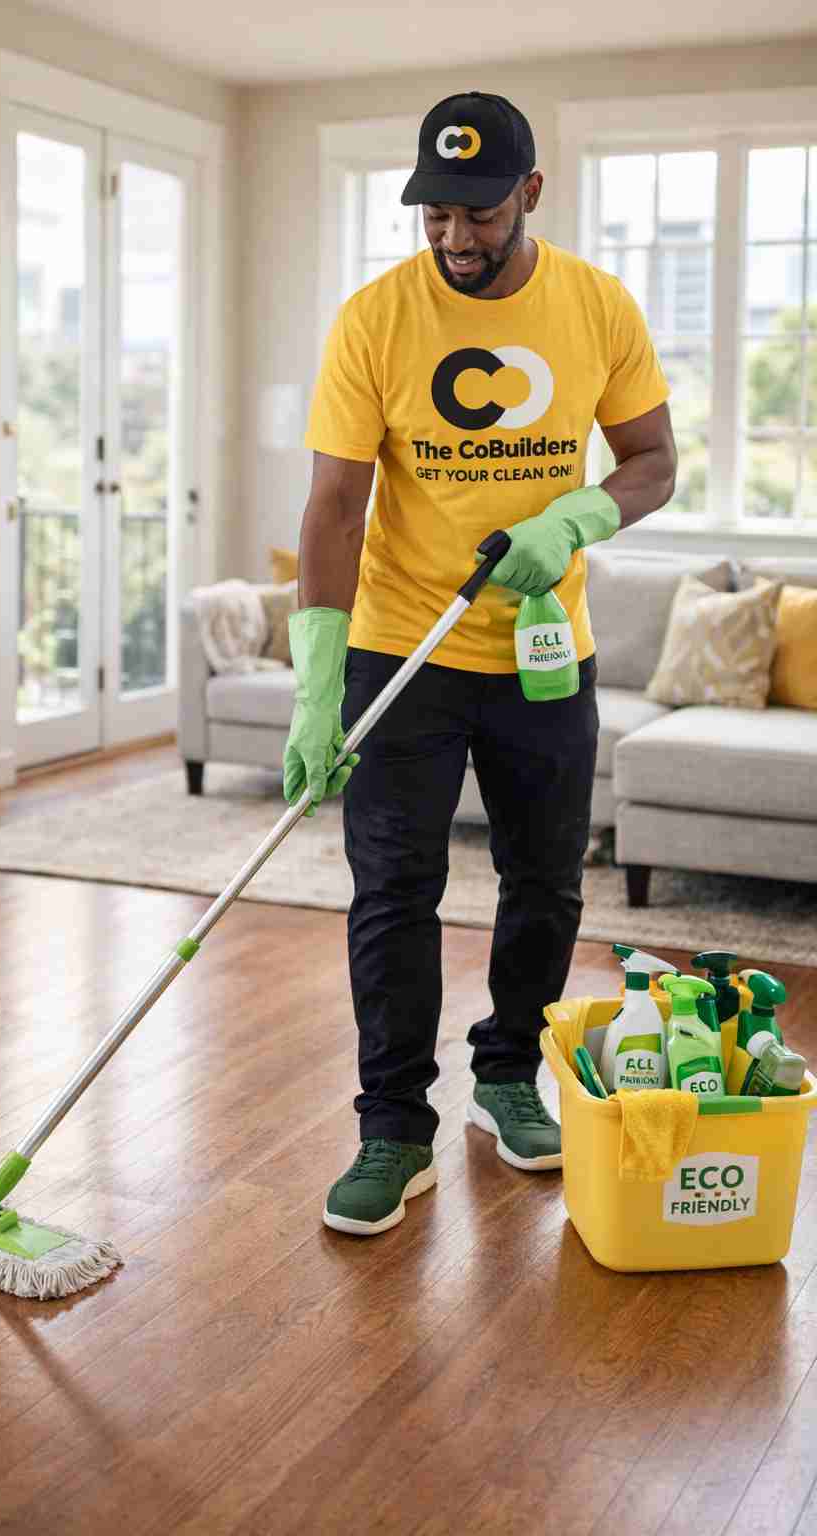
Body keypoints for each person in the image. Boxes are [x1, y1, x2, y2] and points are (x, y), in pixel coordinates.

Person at [282, 91, 677, 1237]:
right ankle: (392, 1127)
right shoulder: (374, 320)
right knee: (394, 891)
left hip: (545, 654)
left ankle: (508, 1076)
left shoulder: (597, 307)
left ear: (531, 195)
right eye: (435, 214)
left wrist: (575, 520)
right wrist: (318, 688)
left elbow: (651, 460)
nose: (455, 238)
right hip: (400, 649)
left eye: (479, 213)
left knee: (545, 880)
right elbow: (332, 507)